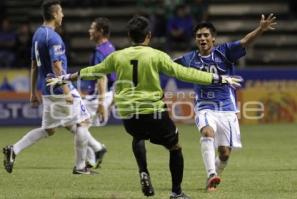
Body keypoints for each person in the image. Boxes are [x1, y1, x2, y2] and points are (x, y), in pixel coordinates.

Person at [47, 16, 243, 199]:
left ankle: (143, 171)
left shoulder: (117, 56)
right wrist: (218, 77)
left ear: (129, 37)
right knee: (175, 147)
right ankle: (176, 192)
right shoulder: (157, 55)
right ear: (148, 36)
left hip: (128, 115)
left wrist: (65, 77)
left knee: (138, 137)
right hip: (154, 113)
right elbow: (186, 74)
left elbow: (93, 71)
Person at [174, 14, 277, 191]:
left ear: (213, 38)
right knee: (207, 133)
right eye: (199, 36)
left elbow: (245, 42)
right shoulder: (189, 59)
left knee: (224, 153)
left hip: (227, 108)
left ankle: (215, 175)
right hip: (205, 106)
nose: (202, 38)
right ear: (195, 39)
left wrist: (260, 29)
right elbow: (168, 65)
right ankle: (211, 175)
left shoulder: (225, 52)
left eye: (206, 35)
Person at [2, 0, 101, 175]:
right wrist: (66, 90)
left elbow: (33, 65)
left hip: (47, 90)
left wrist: (33, 92)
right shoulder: (53, 37)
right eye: (61, 12)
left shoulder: (37, 34)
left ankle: (14, 149)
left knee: (49, 130)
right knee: (83, 122)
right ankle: (80, 167)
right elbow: (57, 66)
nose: (62, 15)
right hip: (60, 89)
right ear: (55, 14)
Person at [81, 17, 116, 168]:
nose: (89, 31)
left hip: (98, 95)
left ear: (100, 31)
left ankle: (97, 150)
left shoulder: (100, 52)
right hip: (107, 93)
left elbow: (101, 78)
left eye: (92, 28)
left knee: (77, 125)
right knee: (82, 127)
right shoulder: (111, 48)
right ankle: (91, 158)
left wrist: (101, 102)